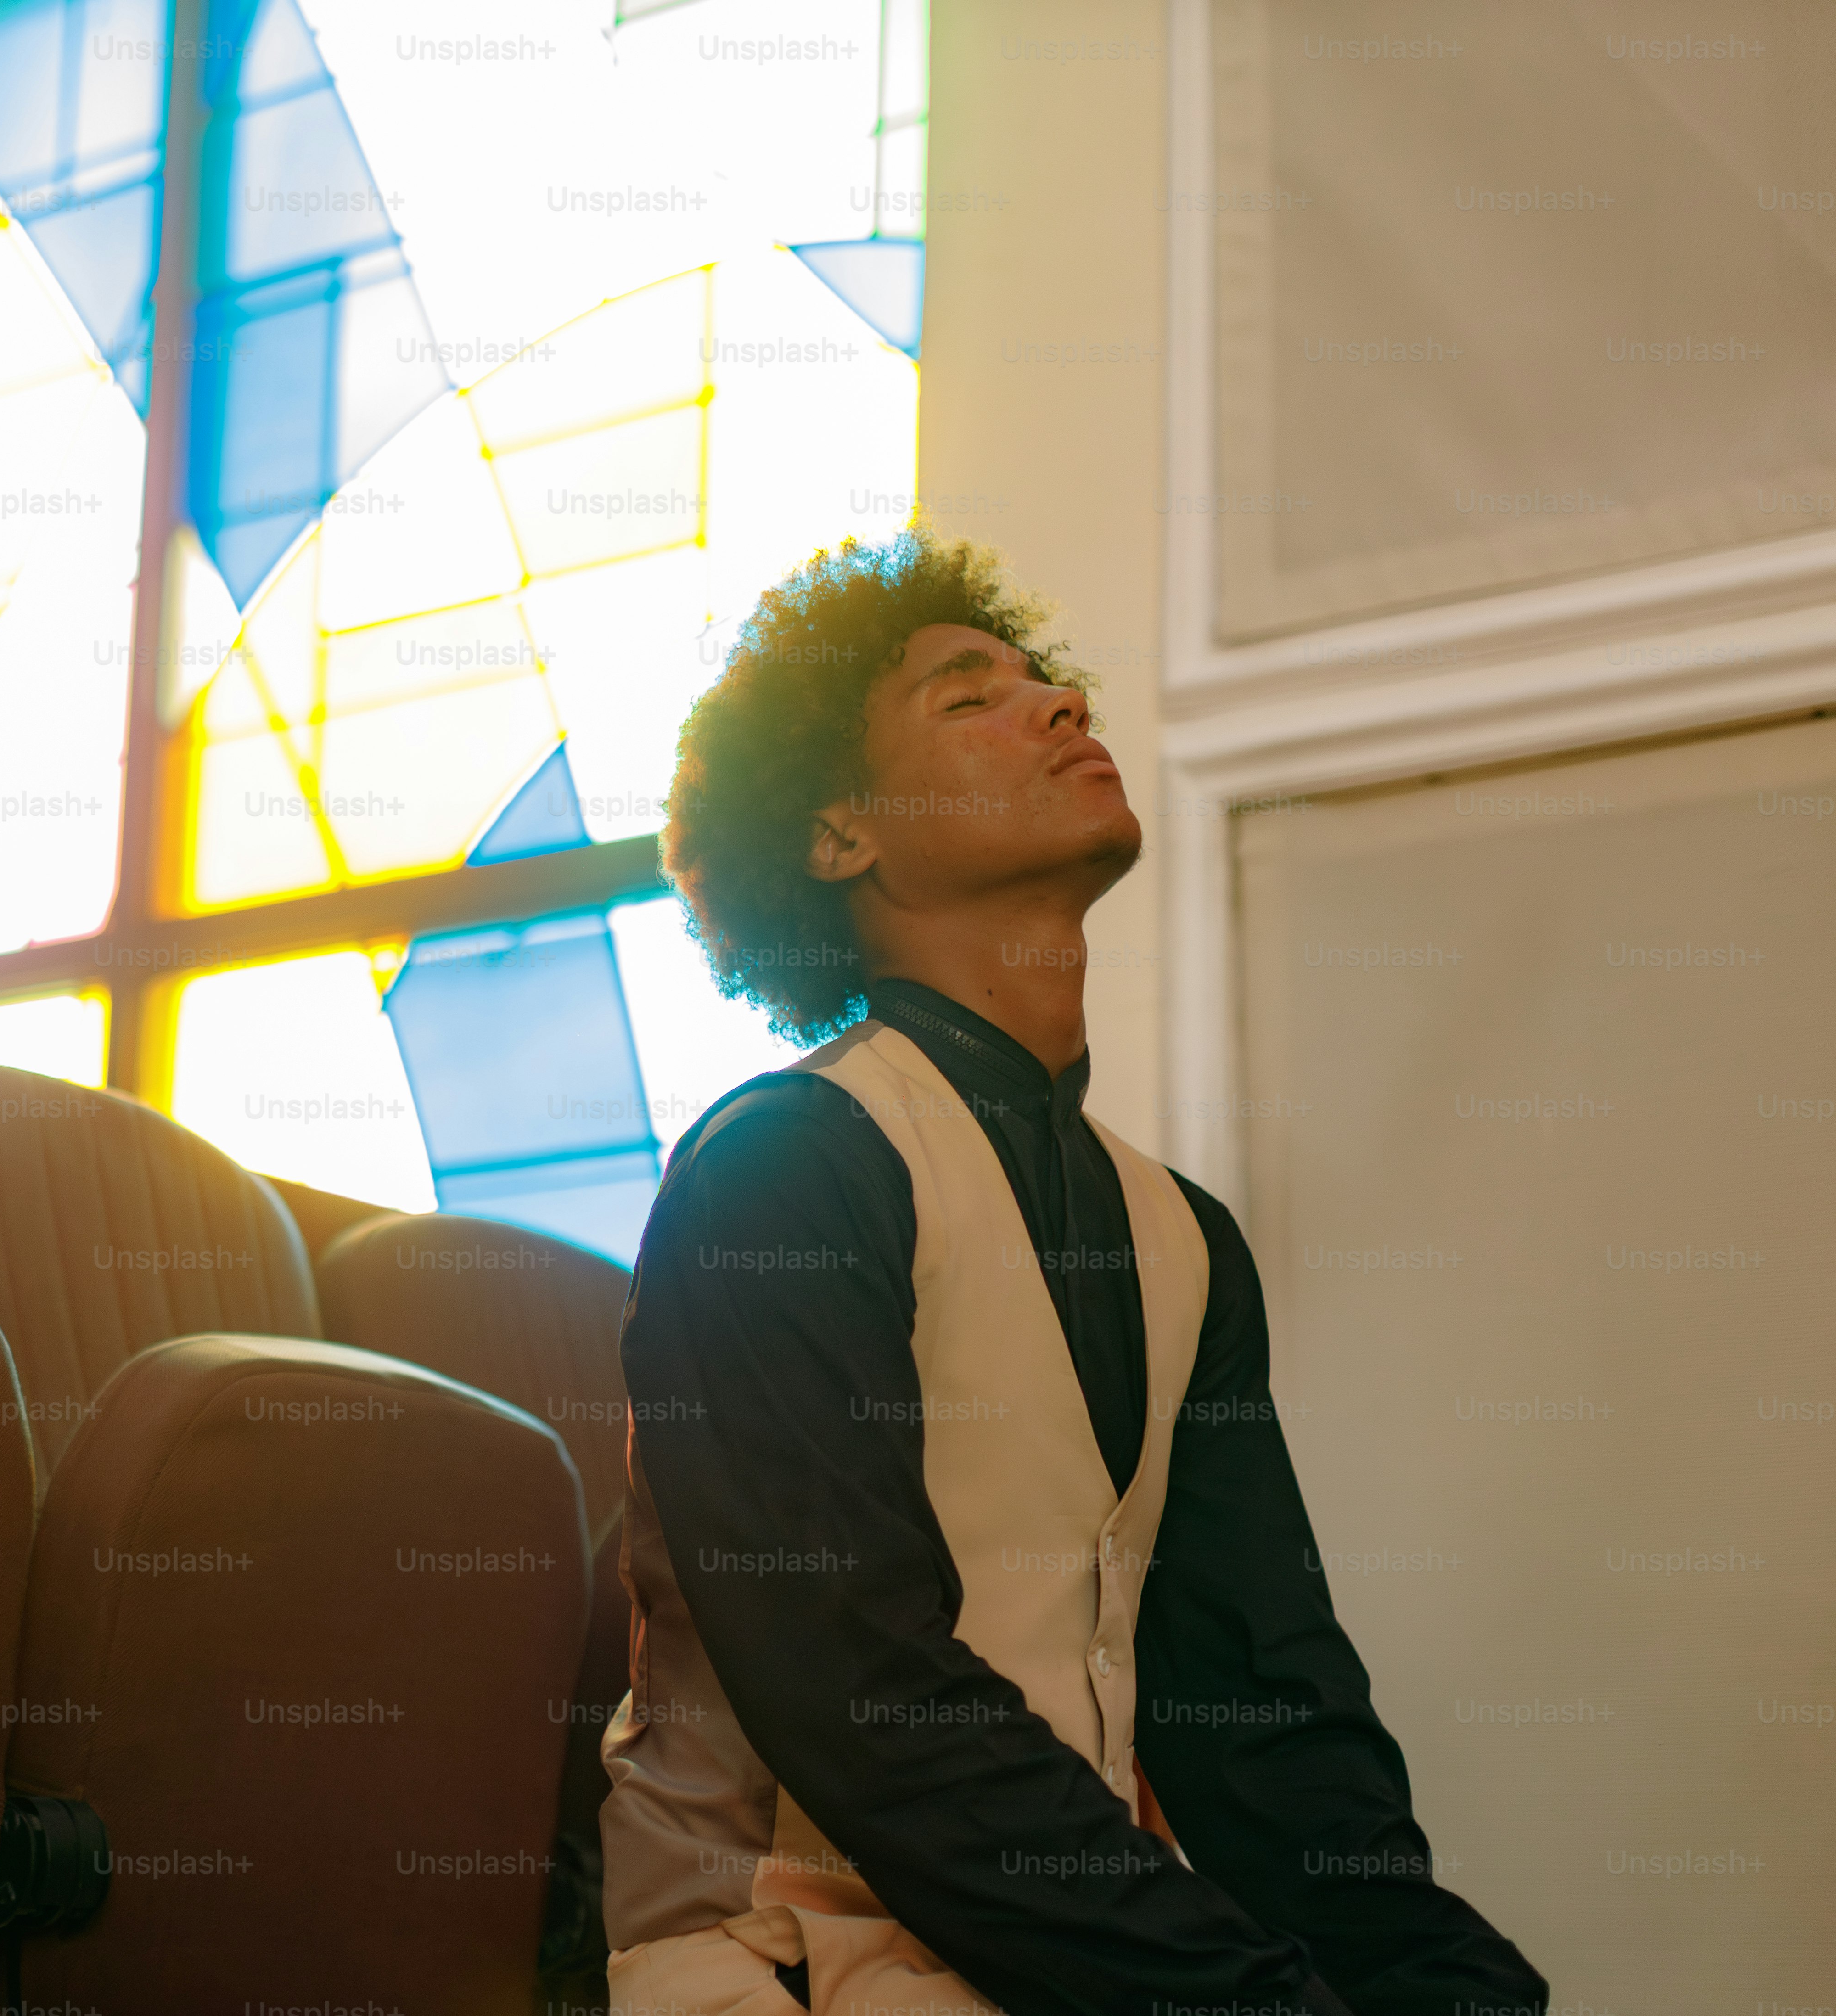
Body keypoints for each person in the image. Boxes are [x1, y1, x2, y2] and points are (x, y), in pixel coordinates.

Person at [601, 528, 1548, 2016]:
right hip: (775, 1956)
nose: (1055, 704)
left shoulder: (1183, 1237)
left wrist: (1445, 1988)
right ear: (840, 833)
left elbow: (1261, 1713)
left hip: (1068, 1959)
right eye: (967, 697)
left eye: (1049, 681)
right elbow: (867, 1698)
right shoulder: (780, 1168)